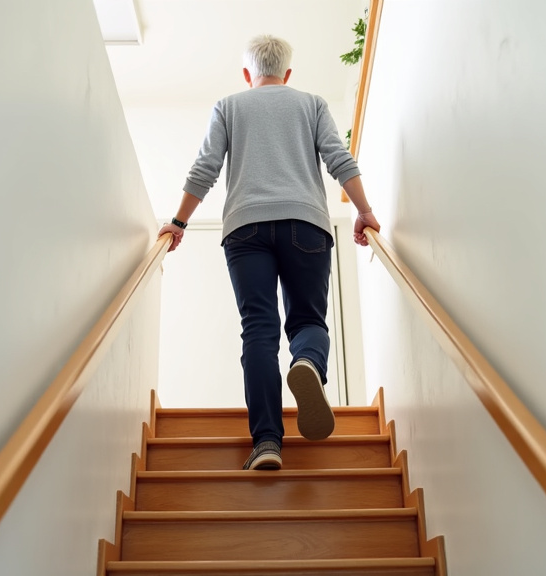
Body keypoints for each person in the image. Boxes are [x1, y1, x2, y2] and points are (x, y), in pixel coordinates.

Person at [158, 35, 380, 471]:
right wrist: (365, 211)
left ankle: (266, 444)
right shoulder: (311, 103)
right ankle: (308, 363)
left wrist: (179, 222)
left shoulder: (229, 106)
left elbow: (205, 167)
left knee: (258, 330)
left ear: (247, 74)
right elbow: (339, 159)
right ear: (288, 74)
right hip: (307, 225)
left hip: (245, 229)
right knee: (308, 321)